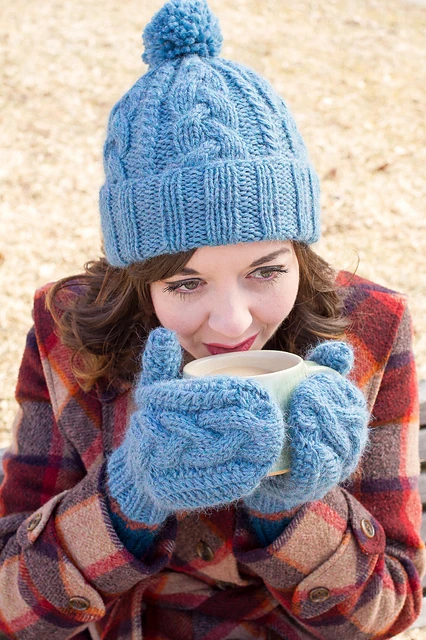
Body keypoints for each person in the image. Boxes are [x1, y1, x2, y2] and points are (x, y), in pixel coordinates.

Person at [0, 0, 424, 638]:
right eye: (185, 282)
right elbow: (12, 608)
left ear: (300, 254)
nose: (231, 323)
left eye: (266, 271)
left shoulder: (370, 330)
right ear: (138, 282)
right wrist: (128, 496)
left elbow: (390, 612)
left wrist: (298, 512)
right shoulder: (68, 329)